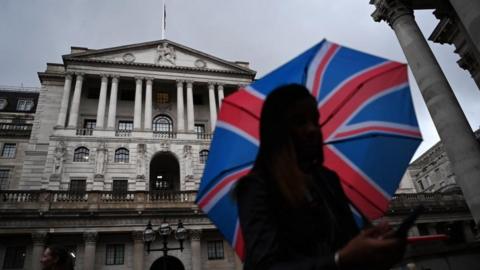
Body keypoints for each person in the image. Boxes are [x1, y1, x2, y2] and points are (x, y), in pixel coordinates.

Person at [235, 84, 406, 270]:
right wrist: (339, 260)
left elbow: (349, 241)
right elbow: (265, 266)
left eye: (315, 121)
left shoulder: (328, 180)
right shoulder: (256, 186)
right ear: (278, 130)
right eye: (299, 121)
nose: (312, 129)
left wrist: (375, 246)